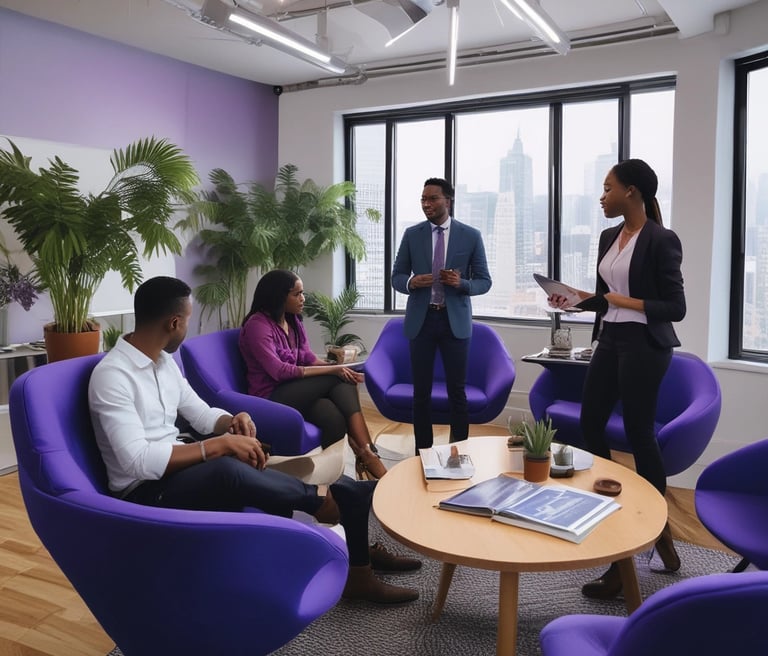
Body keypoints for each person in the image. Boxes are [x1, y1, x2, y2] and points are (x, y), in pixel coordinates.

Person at [88, 275, 420, 604]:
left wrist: (232, 422)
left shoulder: (163, 363)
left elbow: (201, 414)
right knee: (226, 469)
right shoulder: (113, 376)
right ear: (173, 322)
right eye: (188, 320)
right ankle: (323, 502)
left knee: (249, 457)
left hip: (175, 468)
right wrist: (216, 446)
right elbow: (137, 461)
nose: (187, 328)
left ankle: (354, 564)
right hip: (143, 490)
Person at [548, 158, 686, 599]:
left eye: (608, 188)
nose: (602, 196)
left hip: (645, 345)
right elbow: (606, 301)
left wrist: (618, 298)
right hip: (609, 341)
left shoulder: (662, 240)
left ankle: (651, 526)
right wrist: (577, 300)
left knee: (638, 432)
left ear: (631, 191)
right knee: (589, 425)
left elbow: (674, 307)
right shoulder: (610, 236)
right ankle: (611, 504)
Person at [239, 269, 386, 480]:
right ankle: (368, 454)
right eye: (296, 294)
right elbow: (279, 371)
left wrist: (339, 365)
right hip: (270, 396)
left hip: (296, 393)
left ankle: (333, 481)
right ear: (279, 296)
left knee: (332, 415)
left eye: (302, 293)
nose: (303, 299)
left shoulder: (293, 321)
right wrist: (334, 369)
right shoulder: (257, 325)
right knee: (337, 377)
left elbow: (307, 357)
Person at [392, 177, 492, 452]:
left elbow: (484, 281)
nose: (427, 204)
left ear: (448, 200)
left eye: (432, 198)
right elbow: (397, 276)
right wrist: (412, 283)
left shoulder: (470, 236)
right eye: (423, 199)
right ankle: (422, 455)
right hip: (421, 322)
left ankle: (457, 455)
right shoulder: (412, 234)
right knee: (420, 394)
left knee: (457, 394)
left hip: (454, 323)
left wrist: (461, 284)